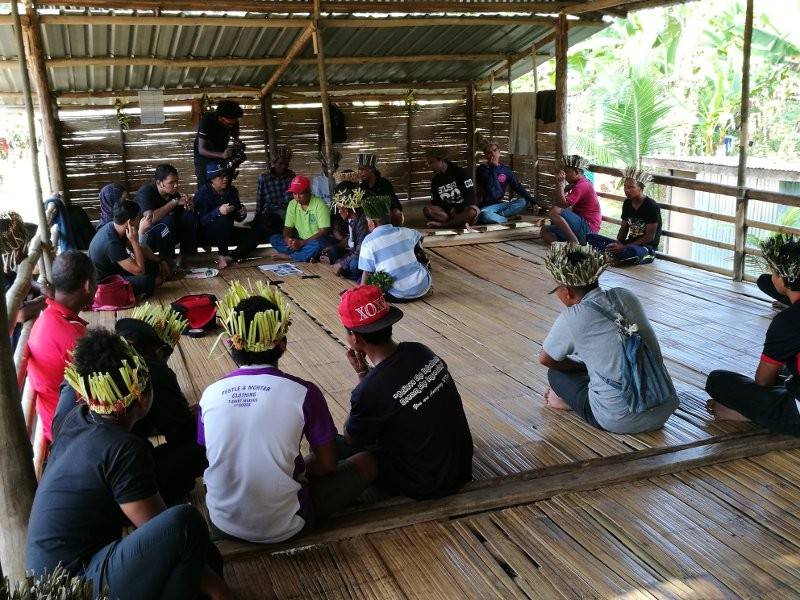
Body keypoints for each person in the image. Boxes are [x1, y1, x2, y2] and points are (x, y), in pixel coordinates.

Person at [26, 329, 231, 600]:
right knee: (187, 523)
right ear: (143, 397)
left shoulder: (74, 417)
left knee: (203, 556)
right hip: (77, 587)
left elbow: (66, 386)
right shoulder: (123, 449)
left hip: (53, 580)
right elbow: (162, 528)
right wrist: (220, 590)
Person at [198, 280, 373, 543]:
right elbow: (326, 465)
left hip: (223, 524)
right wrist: (297, 468)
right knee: (367, 461)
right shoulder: (303, 392)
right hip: (288, 526)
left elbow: (211, 459)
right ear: (283, 345)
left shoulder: (210, 394)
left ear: (231, 344)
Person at [338, 284, 473, 499]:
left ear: (354, 337)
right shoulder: (419, 350)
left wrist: (364, 379)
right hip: (460, 467)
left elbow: (351, 437)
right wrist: (365, 374)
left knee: (340, 449)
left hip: (428, 482)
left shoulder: (370, 390)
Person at [539, 242, 678, 433]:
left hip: (620, 420)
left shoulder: (573, 317)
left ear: (567, 292)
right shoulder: (624, 296)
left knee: (556, 374)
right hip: (663, 407)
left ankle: (569, 403)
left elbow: (545, 359)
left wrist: (582, 367)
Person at [706, 234, 800, 435]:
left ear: (784, 279)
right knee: (785, 371)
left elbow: (763, 380)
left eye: (774, 271)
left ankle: (750, 414)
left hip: (796, 411)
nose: (771, 275)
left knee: (717, 381)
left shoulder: (788, 321)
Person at [115, 303, 207, 504]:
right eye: (158, 352)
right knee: (202, 446)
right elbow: (182, 432)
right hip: (131, 488)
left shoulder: (108, 365)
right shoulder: (152, 371)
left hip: (113, 469)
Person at [27, 250, 95, 444]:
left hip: (57, 422)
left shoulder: (49, 316)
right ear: (88, 286)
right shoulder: (72, 337)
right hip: (73, 432)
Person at [359, 196, 432, 302]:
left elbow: (366, 273)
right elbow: (420, 237)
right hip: (423, 287)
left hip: (397, 295)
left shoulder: (368, 242)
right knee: (421, 254)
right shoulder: (406, 232)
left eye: (367, 220)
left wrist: (361, 295)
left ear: (372, 223)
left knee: (376, 279)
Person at [88, 199, 167, 298]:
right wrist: (134, 241)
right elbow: (139, 271)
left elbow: (141, 250)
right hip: (105, 284)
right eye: (139, 217)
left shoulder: (116, 227)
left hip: (115, 270)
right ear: (130, 222)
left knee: (153, 265)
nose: (140, 220)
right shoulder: (111, 243)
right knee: (147, 281)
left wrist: (160, 260)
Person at [587, 166, 662, 266]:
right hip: (627, 245)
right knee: (591, 237)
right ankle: (616, 256)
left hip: (645, 248)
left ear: (641, 188)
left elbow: (649, 237)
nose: (626, 190)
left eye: (631, 187)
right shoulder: (627, 203)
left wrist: (624, 247)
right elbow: (624, 229)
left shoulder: (651, 206)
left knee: (633, 252)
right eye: (625, 186)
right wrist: (618, 244)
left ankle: (613, 256)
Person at [194, 161, 259, 269]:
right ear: (212, 179)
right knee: (222, 219)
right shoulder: (202, 194)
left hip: (227, 232)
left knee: (254, 235)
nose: (225, 179)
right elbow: (199, 222)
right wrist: (218, 212)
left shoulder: (231, 191)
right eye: (221, 176)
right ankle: (222, 254)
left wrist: (242, 213)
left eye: (226, 175)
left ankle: (231, 257)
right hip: (207, 234)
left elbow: (237, 218)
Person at [135, 164, 197, 269]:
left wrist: (188, 206)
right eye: (171, 182)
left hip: (169, 234)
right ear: (159, 183)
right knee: (167, 222)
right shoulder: (146, 192)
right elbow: (151, 219)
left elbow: (180, 215)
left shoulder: (173, 194)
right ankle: (167, 262)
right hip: (146, 236)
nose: (176, 185)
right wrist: (174, 203)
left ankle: (183, 257)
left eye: (177, 181)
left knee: (189, 216)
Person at [1, 211, 45, 347]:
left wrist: (41, 287)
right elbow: (19, 314)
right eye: (21, 247)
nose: (25, 253)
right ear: (10, 250)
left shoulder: (7, 269)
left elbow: (25, 282)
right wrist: (44, 300)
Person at [269, 175, 332, 262]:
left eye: (301, 193)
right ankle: (305, 254)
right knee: (274, 239)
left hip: (314, 241)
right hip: (300, 241)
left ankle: (290, 257)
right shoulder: (292, 204)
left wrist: (302, 243)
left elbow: (324, 231)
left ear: (308, 192)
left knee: (318, 245)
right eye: (294, 193)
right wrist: (288, 240)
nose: (297, 197)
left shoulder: (320, 204)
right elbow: (288, 228)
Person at [542, 155, 602, 244]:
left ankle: (573, 241)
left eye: (567, 172)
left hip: (588, 230)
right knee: (545, 230)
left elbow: (561, 205)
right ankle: (560, 247)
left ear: (577, 172)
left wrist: (560, 185)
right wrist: (563, 188)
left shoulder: (582, 185)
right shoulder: (576, 184)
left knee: (554, 211)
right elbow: (557, 202)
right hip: (579, 227)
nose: (565, 175)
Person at [475, 140, 534, 224]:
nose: (493, 154)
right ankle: (506, 219)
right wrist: (493, 168)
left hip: (500, 205)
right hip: (487, 207)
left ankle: (499, 216)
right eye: (489, 152)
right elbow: (490, 187)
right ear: (486, 156)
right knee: (484, 215)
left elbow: (517, 186)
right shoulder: (482, 170)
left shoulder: (506, 170)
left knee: (523, 201)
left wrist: (532, 200)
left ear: (499, 152)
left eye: (495, 150)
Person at [323, 174, 368, 280]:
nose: (338, 211)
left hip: (362, 256)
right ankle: (341, 268)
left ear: (347, 209)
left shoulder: (363, 222)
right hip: (353, 251)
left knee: (354, 264)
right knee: (333, 252)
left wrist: (341, 263)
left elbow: (359, 252)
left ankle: (349, 274)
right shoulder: (351, 219)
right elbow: (351, 246)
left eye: (339, 208)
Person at [423, 148, 480, 229]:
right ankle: (458, 223)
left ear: (441, 160)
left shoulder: (460, 172)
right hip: (448, 213)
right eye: (429, 163)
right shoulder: (435, 180)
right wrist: (449, 209)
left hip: (463, 210)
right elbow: (435, 202)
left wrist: (457, 209)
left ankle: (445, 225)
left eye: (432, 162)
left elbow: (471, 197)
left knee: (472, 212)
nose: (430, 166)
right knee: (427, 210)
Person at [193, 100, 244, 186]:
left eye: (233, 124)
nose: (231, 126)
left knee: (224, 186)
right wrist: (222, 155)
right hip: (204, 158)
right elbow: (201, 150)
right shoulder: (207, 120)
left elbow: (236, 138)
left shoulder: (233, 121)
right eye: (228, 124)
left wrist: (238, 145)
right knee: (205, 186)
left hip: (221, 155)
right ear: (220, 117)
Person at [253, 145, 295, 238]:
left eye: (286, 164)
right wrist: (257, 216)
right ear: (274, 163)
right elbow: (260, 199)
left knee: (288, 216)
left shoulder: (291, 175)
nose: (283, 166)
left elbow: (295, 196)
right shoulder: (264, 178)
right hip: (271, 210)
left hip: (288, 209)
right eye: (280, 163)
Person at [357, 152, 404, 226]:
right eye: (359, 169)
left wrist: (391, 212)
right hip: (369, 217)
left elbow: (395, 203)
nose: (360, 172)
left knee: (397, 213)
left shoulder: (384, 184)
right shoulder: (361, 188)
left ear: (372, 170)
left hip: (385, 215)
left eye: (363, 169)